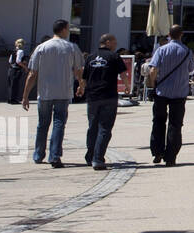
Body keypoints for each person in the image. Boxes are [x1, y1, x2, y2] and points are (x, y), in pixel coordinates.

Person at [21, 19, 85, 167]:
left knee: (42, 124)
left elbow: (32, 74)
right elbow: (78, 70)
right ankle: (54, 156)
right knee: (59, 124)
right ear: (63, 30)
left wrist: (25, 96)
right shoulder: (71, 47)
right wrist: (81, 85)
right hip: (63, 91)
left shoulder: (41, 48)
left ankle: (38, 154)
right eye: (68, 29)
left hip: (44, 93)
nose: (68, 31)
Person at [145, 25, 194, 166]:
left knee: (158, 121)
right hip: (179, 92)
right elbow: (191, 70)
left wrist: (153, 84)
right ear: (181, 35)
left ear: (169, 35)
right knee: (175, 124)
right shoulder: (187, 51)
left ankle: (157, 151)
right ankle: (171, 156)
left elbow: (153, 69)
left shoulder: (161, 50)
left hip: (162, 91)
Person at [82, 34, 127, 170]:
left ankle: (90, 156)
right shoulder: (114, 56)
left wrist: (81, 88)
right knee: (105, 128)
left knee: (93, 127)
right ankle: (98, 158)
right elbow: (123, 74)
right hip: (108, 96)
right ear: (107, 42)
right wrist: (127, 86)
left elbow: (85, 76)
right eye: (114, 42)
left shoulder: (90, 57)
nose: (115, 45)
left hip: (92, 96)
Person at [7, 38, 29, 104]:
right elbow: (18, 61)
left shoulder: (13, 51)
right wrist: (25, 67)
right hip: (16, 69)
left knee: (11, 84)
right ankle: (14, 99)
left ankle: (10, 99)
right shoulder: (21, 51)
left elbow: (10, 61)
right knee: (15, 84)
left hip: (11, 69)